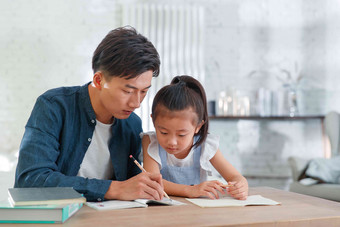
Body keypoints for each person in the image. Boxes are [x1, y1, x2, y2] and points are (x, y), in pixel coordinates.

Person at [14, 26, 165, 202]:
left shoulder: (132, 124)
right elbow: (30, 180)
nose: (136, 103)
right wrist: (111, 188)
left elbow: (133, 188)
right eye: (128, 91)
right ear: (99, 80)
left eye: (144, 91)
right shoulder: (53, 106)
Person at [141, 75, 248, 200]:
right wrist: (190, 190)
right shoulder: (150, 142)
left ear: (198, 126)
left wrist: (241, 185)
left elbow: (235, 177)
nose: (172, 142)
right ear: (153, 120)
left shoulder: (206, 144)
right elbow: (153, 182)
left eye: (181, 135)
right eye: (163, 132)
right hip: (164, 211)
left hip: (197, 212)